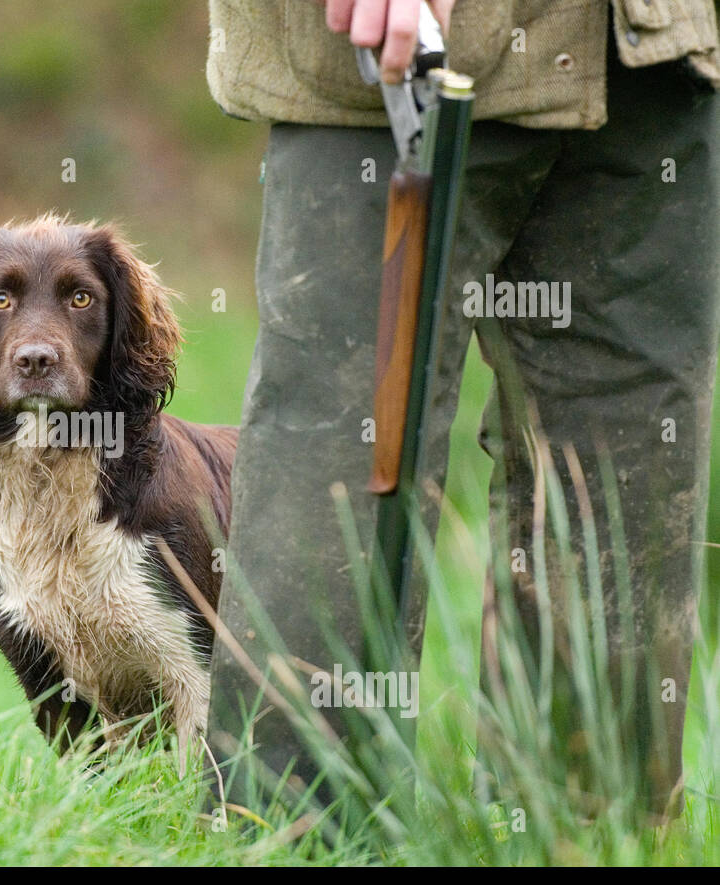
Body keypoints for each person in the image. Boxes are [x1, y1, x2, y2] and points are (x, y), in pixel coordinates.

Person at [205, 0, 720, 820]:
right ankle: (287, 839)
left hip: (648, 50)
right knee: (341, 480)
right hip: (392, 59)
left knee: (621, 497)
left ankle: (587, 873)